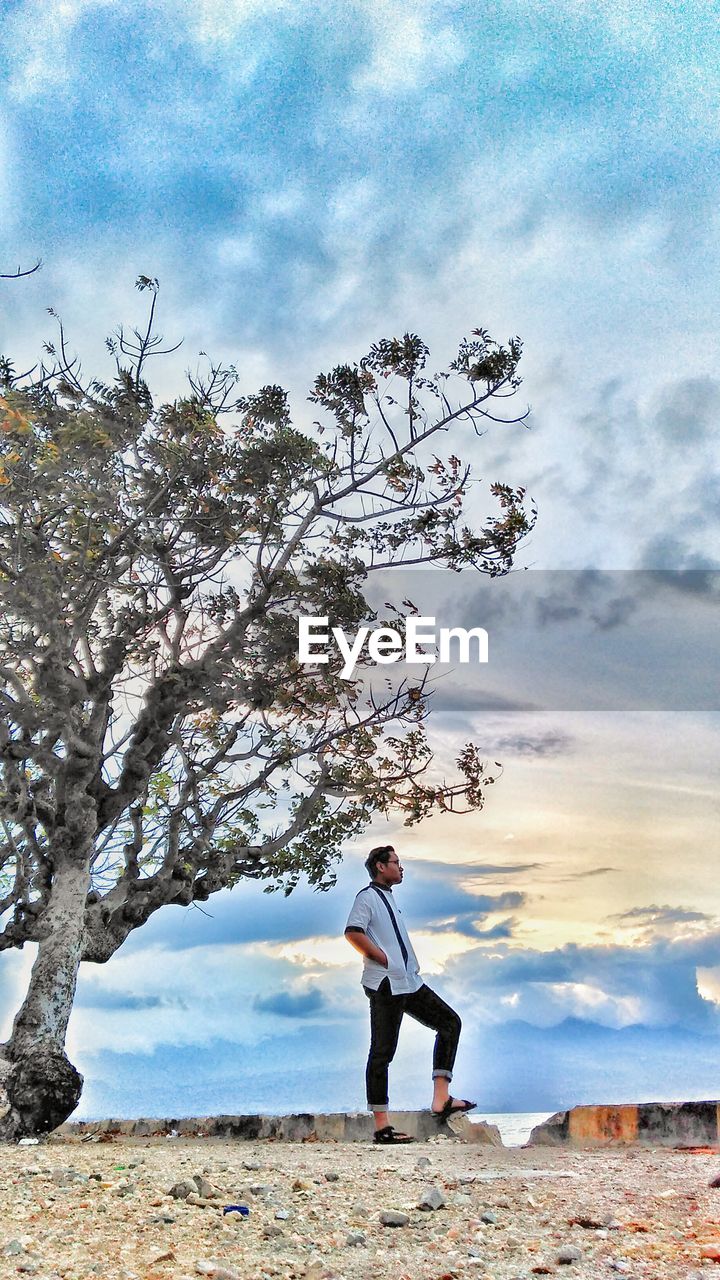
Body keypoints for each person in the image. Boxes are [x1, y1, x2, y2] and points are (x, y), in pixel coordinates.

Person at [344, 843, 476, 1144]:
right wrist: (381, 958)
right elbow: (353, 931)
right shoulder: (367, 897)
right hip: (385, 983)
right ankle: (382, 1126)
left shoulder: (389, 899)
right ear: (381, 866)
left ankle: (441, 1100)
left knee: (449, 1023)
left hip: (409, 981)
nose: (400, 867)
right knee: (382, 1052)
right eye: (396, 862)